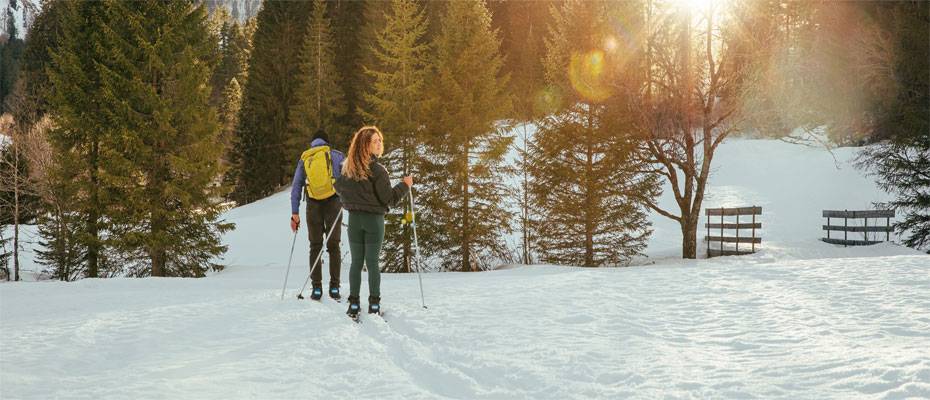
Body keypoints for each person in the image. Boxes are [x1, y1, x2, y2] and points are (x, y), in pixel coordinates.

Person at [334, 126, 412, 318]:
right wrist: (405, 185)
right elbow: (389, 199)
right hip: (373, 221)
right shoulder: (378, 170)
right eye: (375, 141)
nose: (379, 143)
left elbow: (338, 189)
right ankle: (374, 305)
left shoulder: (347, 168)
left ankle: (353, 304)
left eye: (380, 140)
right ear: (365, 145)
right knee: (372, 263)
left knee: (356, 263)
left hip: (354, 220)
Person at [289, 129, 345, 301]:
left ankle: (317, 289)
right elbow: (349, 179)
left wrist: (294, 213)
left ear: (312, 143)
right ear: (327, 142)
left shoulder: (305, 158)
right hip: (334, 203)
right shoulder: (336, 155)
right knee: (334, 246)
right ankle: (334, 288)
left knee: (315, 246)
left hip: (313, 205)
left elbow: (297, 186)